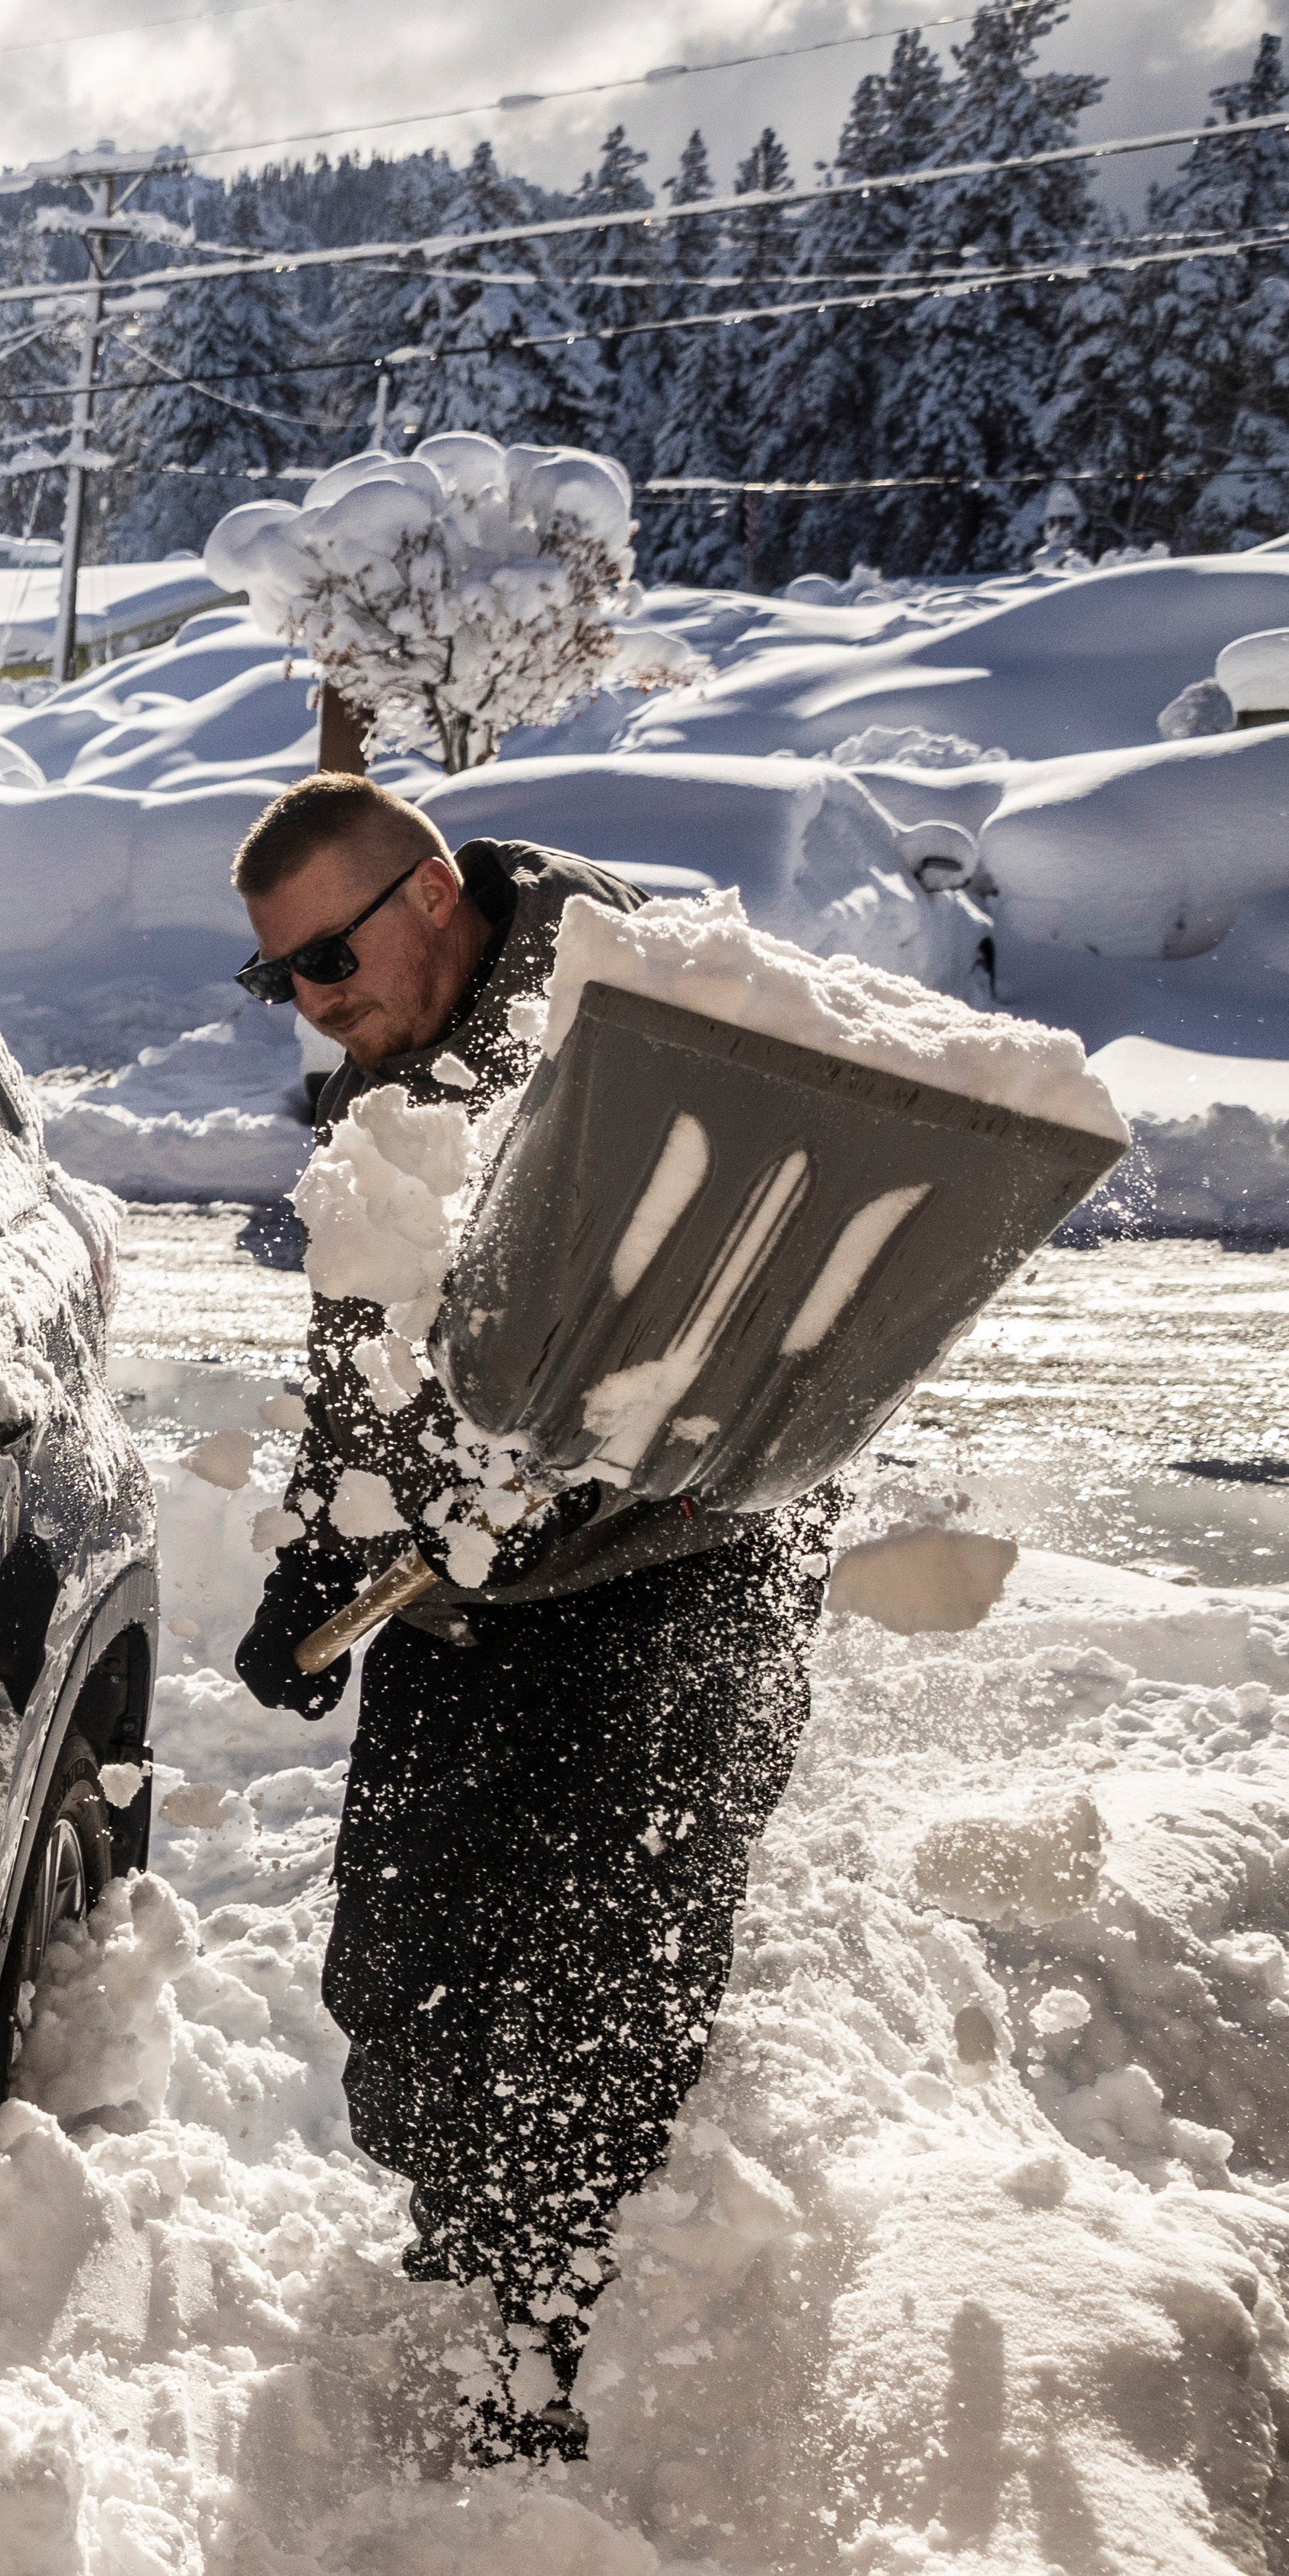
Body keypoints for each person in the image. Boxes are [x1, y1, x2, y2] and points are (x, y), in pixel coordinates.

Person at [224, 773, 827, 2463]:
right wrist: (319, 1552)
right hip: (467, 1578)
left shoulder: (643, 1016)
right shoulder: (386, 1056)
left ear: (427, 893)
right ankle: (469, 2246)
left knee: (581, 2001)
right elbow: (370, 1339)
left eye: (325, 958)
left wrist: (581, 1485)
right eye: (277, 976)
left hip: (673, 1578)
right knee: (399, 1972)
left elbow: (762, 1319)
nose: (311, 1002)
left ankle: (548, 2360)